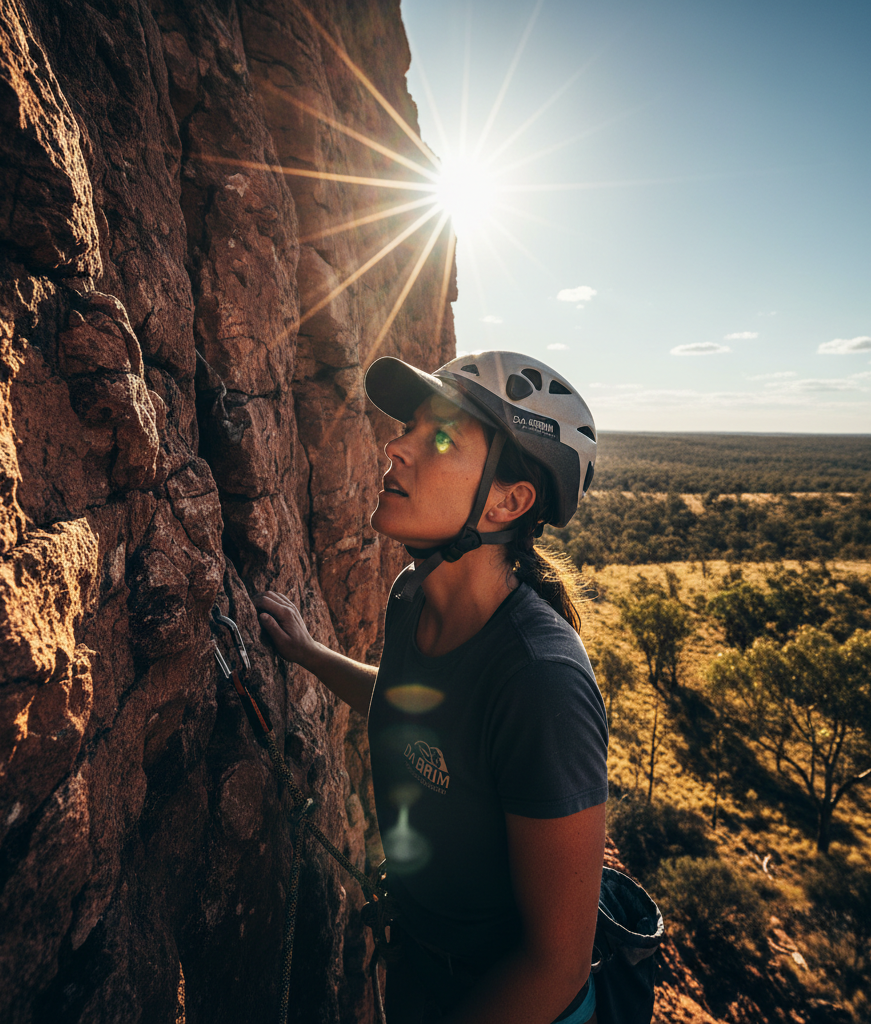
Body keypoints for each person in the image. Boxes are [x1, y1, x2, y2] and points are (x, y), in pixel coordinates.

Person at [257, 351, 608, 1024]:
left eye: (441, 437)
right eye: (408, 427)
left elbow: (556, 965)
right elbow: (417, 711)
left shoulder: (541, 683)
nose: (396, 447)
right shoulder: (412, 597)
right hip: (419, 967)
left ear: (509, 501)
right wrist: (308, 654)